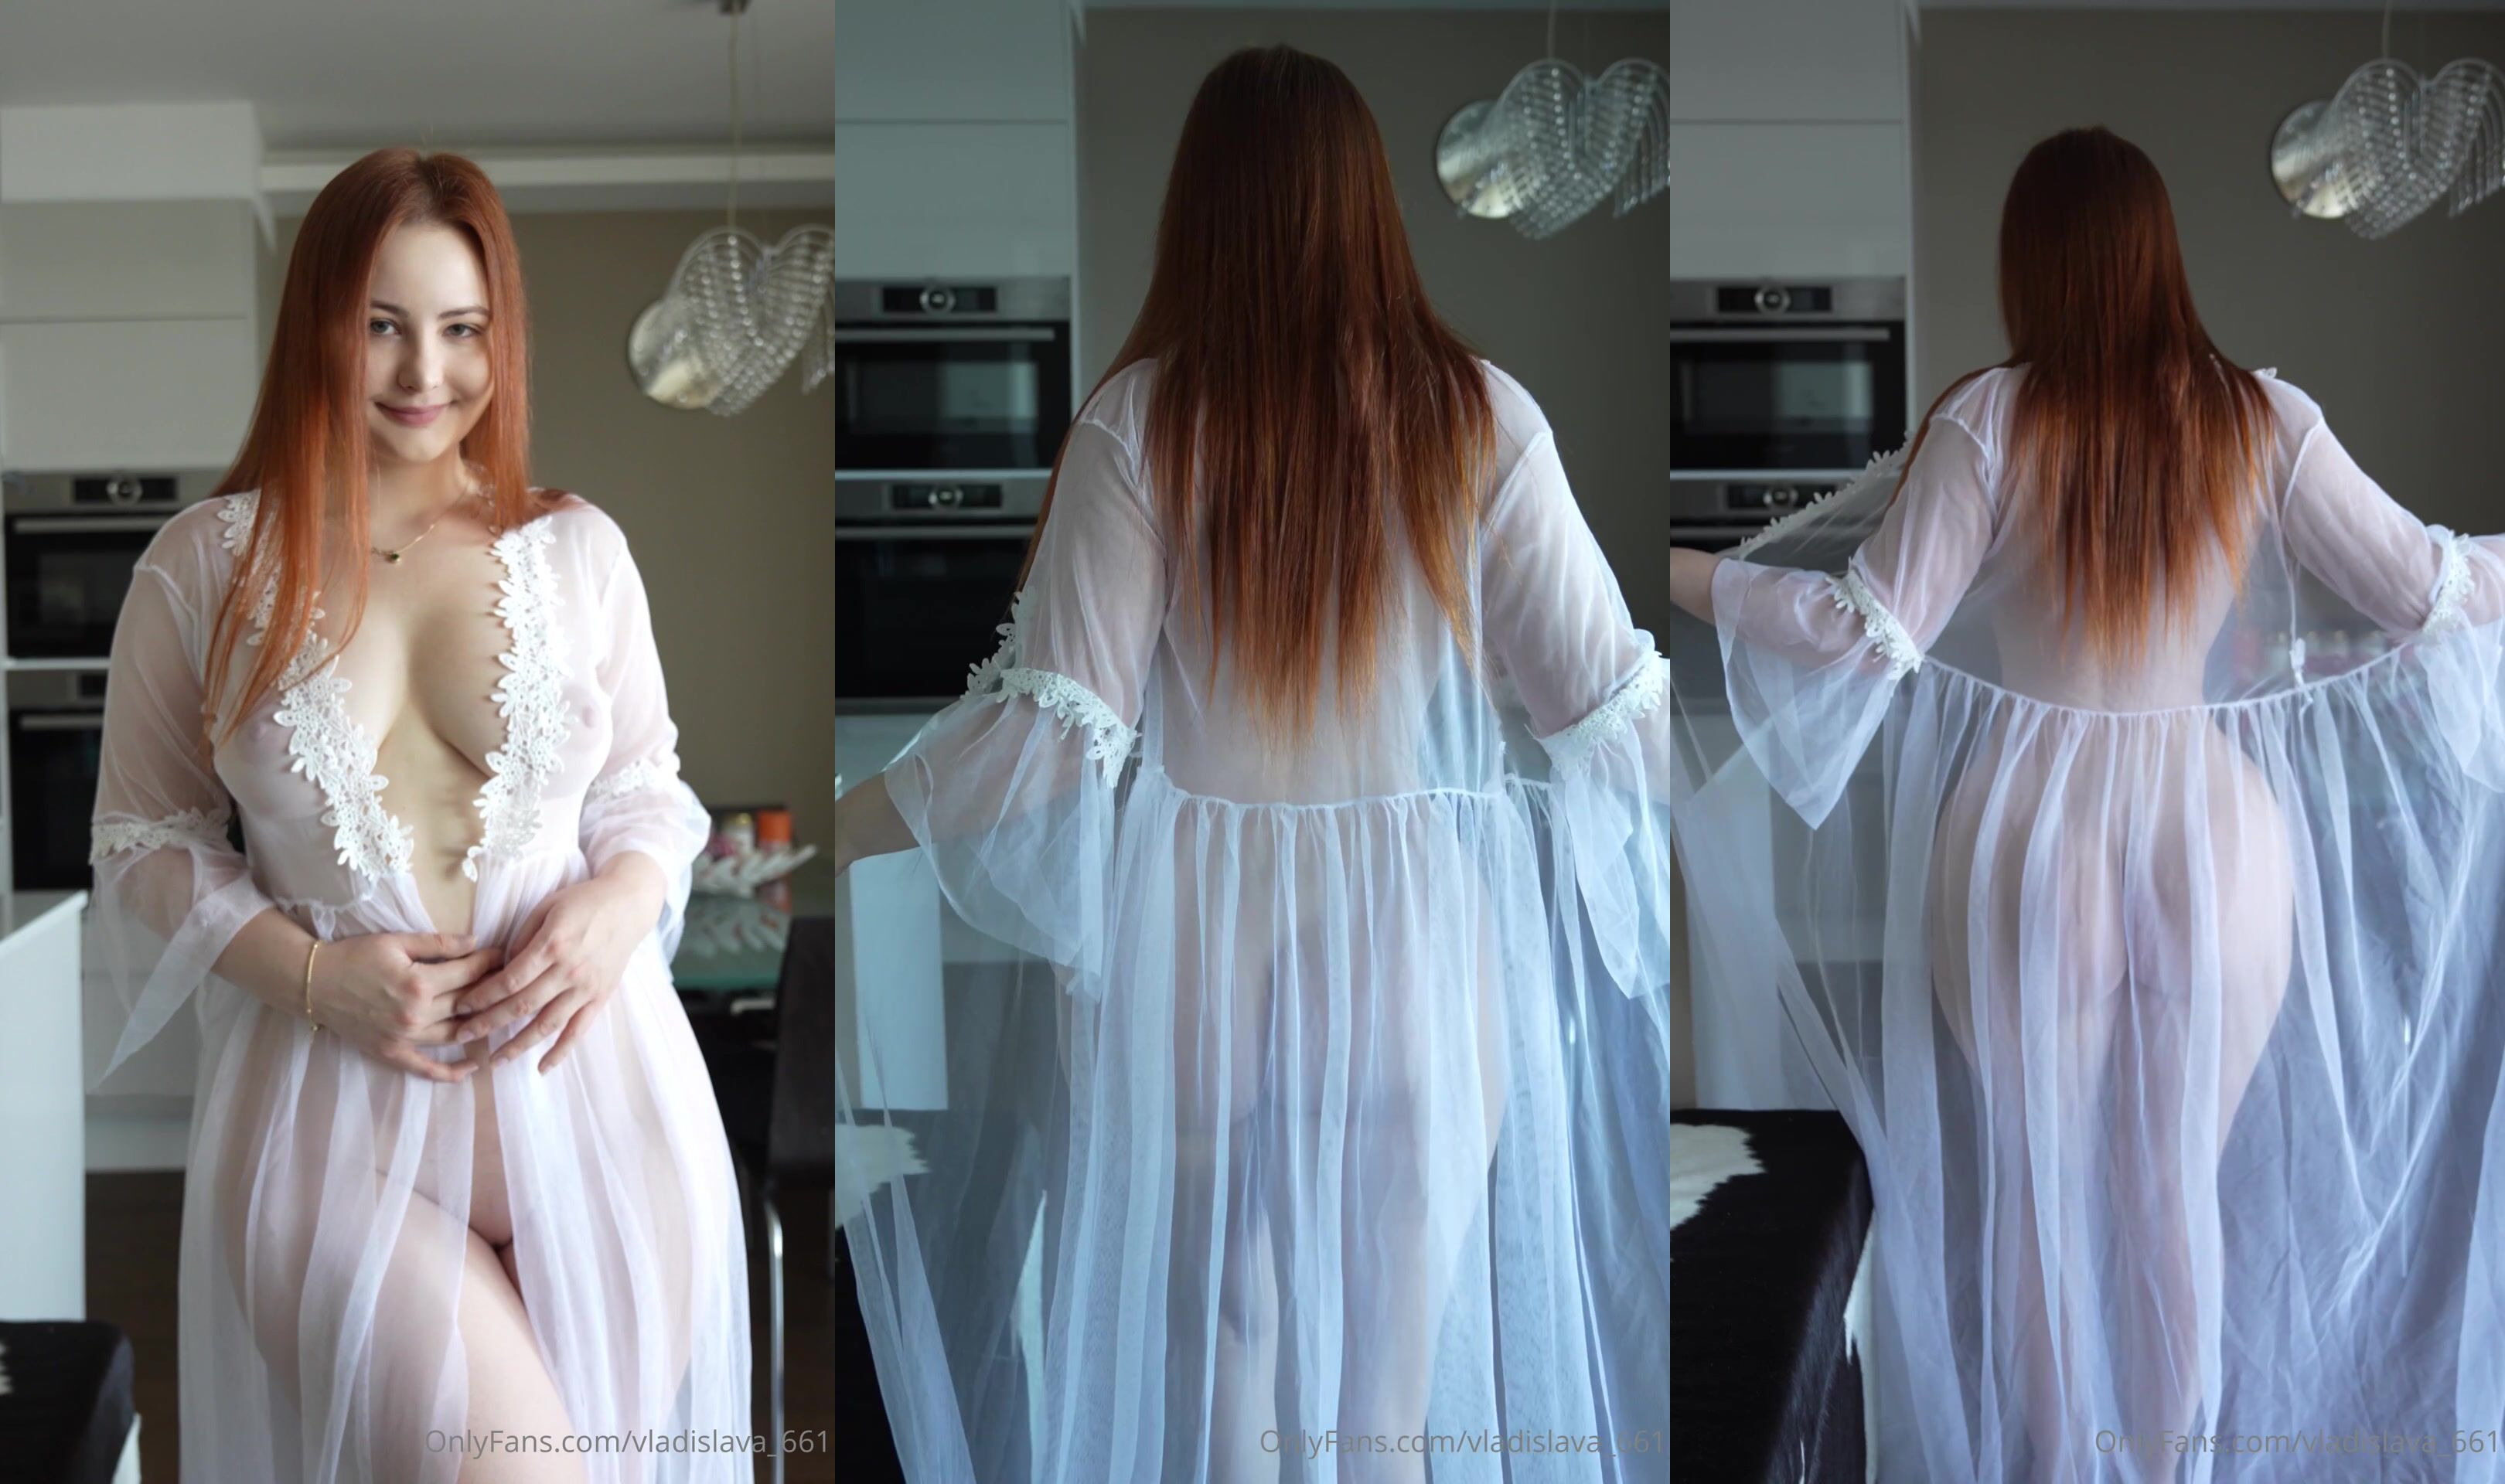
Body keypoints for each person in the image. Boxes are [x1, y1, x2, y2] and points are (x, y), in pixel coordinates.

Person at [833, 46, 1673, 1484]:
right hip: (1416, 931)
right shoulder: (1481, 417)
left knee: (1224, 1340)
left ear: (1201, 211)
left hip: (1200, 932)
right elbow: (1610, 713)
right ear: (1372, 207)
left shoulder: (1145, 421)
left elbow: (1054, 738)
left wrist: (853, 817)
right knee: (1388, 1390)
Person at [1666, 126, 2505, 1482]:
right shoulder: (2261, 418)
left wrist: (1685, 571)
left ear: (2033, 262)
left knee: (2040, 1206)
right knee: (2174, 1196)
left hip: (2029, 836)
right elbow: (2431, 587)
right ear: (2160, 252)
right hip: (2210, 837)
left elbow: (1865, 630)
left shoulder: (1992, 416)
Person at [84, 148, 750, 1482]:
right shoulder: (203, 567)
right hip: (328, 1131)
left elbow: (647, 789)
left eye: (463, 329)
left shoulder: (579, 550)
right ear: (317, 325)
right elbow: (142, 840)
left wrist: (617, 904)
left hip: (605, 1106)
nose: (423, 372)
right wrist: (316, 977)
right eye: (382, 325)